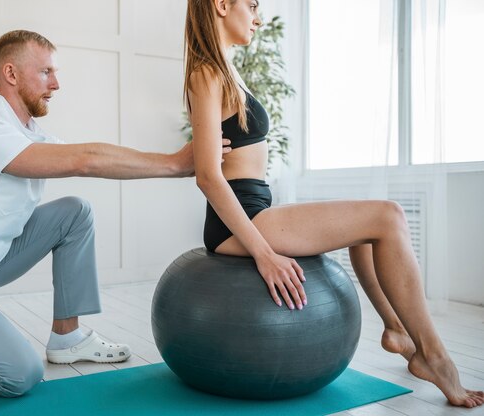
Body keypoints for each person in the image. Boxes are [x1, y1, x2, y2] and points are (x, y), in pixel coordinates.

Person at [0, 29, 230, 397]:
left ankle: (68, 336)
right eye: (46, 72)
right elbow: (85, 160)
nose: (56, 83)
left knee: (75, 212)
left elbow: (100, 159)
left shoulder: (30, 134)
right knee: (18, 375)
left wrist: (185, 162)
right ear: (10, 74)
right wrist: (174, 164)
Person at [183, 0, 483, 409]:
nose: (258, 16)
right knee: (388, 215)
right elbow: (207, 175)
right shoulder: (206, 72)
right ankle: (435, 356)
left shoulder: (228, 69)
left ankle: (396, 330)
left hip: (258, 206)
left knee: (366, 225)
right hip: (240, 219)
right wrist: (264, 253)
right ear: (221, 5)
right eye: (252, 4)